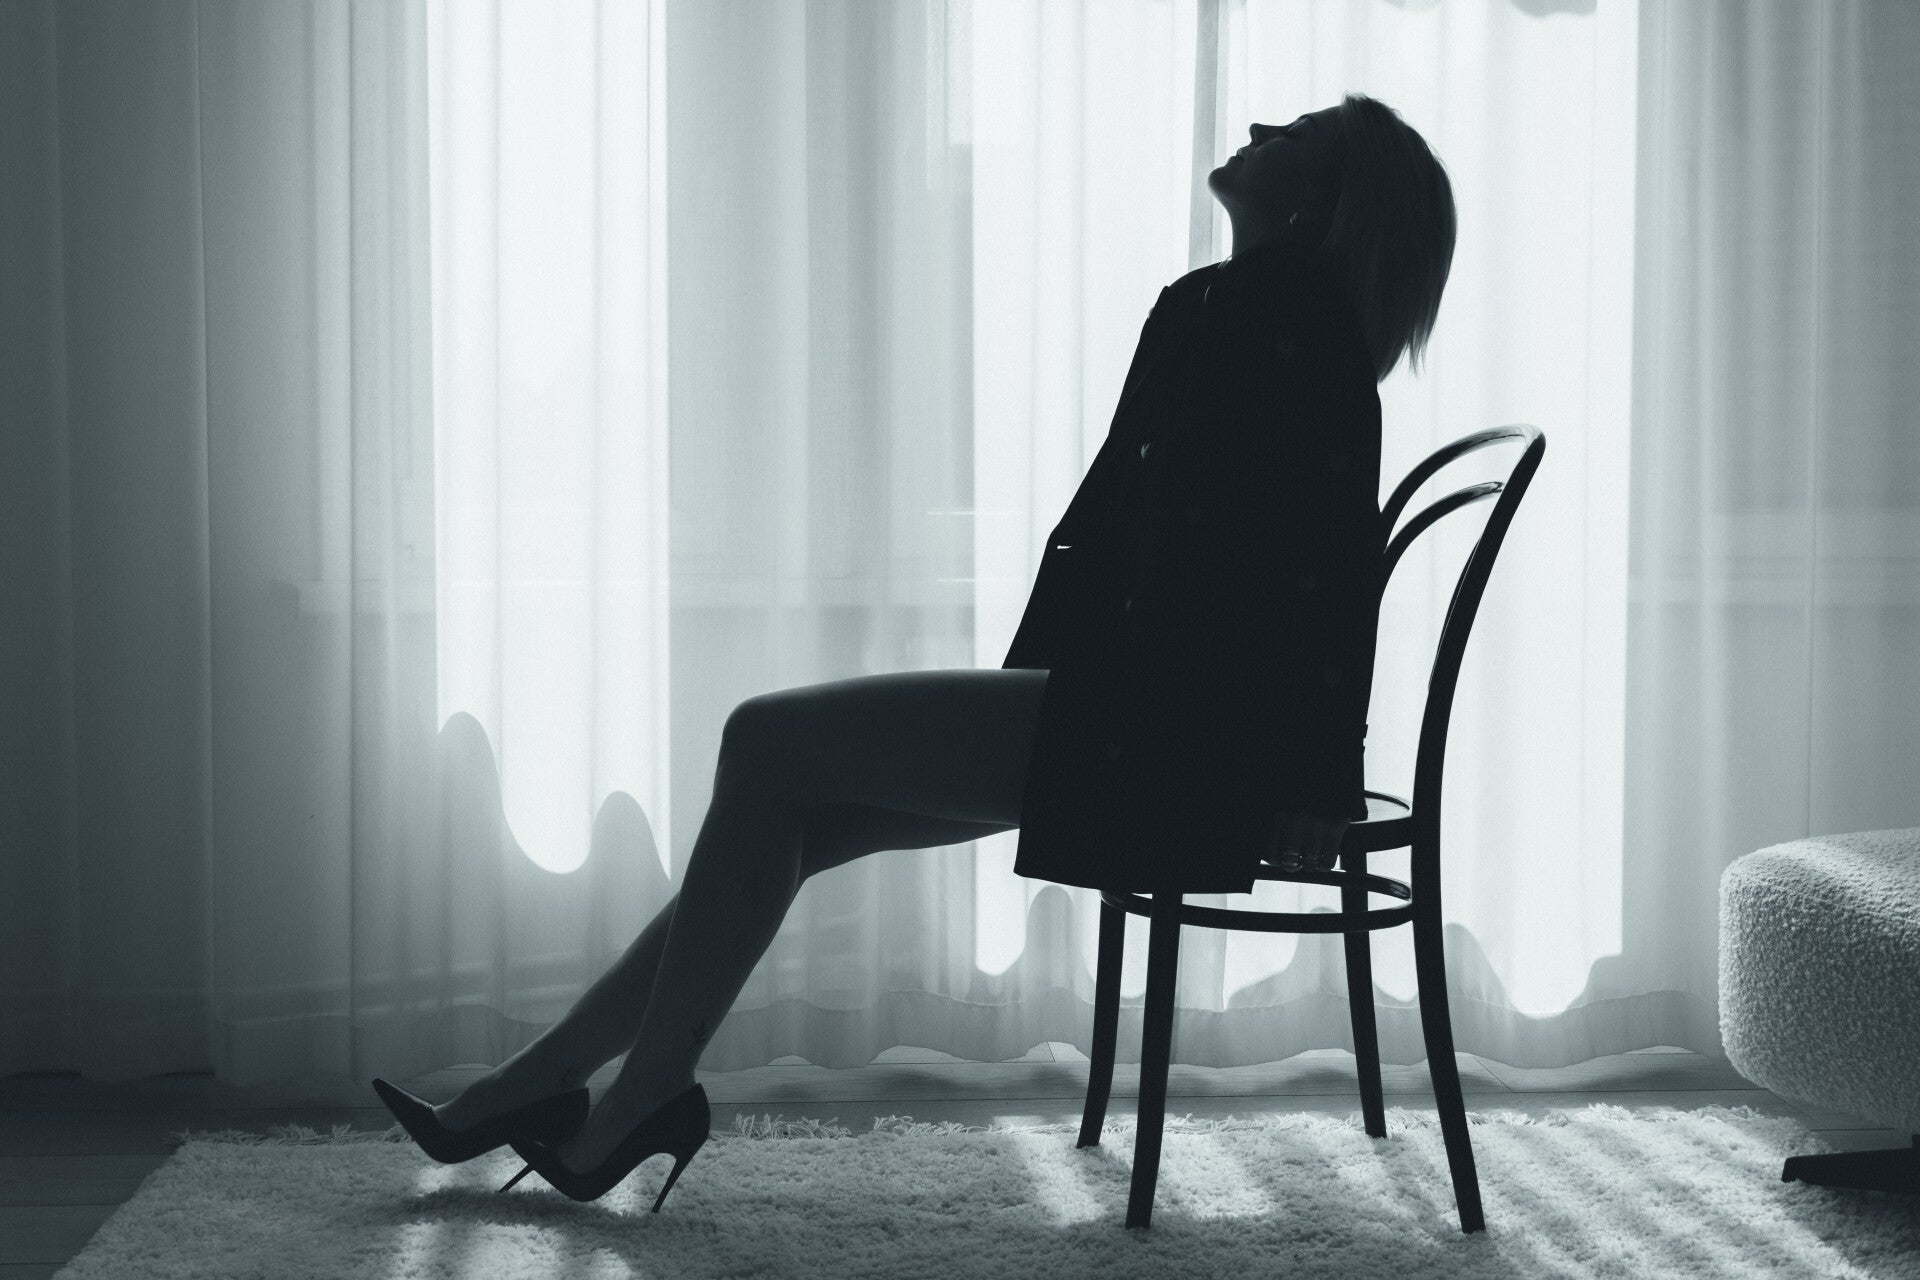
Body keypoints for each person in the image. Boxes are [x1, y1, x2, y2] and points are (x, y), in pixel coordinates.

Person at [373, 91, 1456, 1207]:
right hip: (1129, 714)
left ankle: (623, 1092)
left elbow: (1328, 568)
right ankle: (546, 1083)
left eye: (1298, 133)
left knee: (763, 742)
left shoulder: (1292, 327)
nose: (1263, 131)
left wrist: (1319, 777)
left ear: (1328, 200)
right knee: (783, 804)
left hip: (1159, 739)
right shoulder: (1241, 311)